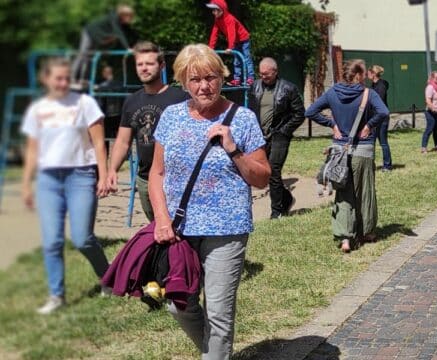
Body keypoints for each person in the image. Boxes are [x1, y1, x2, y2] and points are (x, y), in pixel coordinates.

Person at [149, 44, 271, 358]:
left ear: (222, 77)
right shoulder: (172, 116)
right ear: (183, 82)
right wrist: (162, 220)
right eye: (195, 79)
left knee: (218, 312)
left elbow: (262, 177)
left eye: (211, 77)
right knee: (179, 304)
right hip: (180, 230)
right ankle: (214, 353)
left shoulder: (242, 119)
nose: (204, 86)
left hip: (226, 230)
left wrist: (233, 149)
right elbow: (157, 173)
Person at [21, 58, 111, 314]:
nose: (62, 83)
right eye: (57, 78)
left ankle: (108, 278)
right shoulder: (37, 109)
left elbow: (99, 143)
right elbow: (32, 149)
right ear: (45, 79)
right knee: (51, 241)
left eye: (65, 78)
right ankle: (56, 295)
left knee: (82, 238)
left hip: (80, 176)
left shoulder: (85, 104)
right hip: (48, 180)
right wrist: (26, 184)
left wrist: (103, 175)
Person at [306, 59, 389, 253]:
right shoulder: (368, 94)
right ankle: (367, 232)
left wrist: (331, 125)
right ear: (359, 75)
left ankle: (345, 238)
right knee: (365, 192)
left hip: (339, 152)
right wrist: (369, 125)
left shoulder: (333, 92)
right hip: (363, 151)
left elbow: (310, 111)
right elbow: (384, 112)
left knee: (343, 194)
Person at [107, 41, 189, 221]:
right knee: (158, 231)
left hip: (176, 178)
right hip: (145, 180)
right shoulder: (131, 101)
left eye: (149, 63)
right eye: (140, 64)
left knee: (181, 232)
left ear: (161, 66)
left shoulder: (181, 98)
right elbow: (122, 141)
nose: (144, 68)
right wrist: (112, 169)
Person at [249, 57, 306, 219]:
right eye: (261, 74)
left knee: (274, 170)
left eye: (266, 74)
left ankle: (277, 210)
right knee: (265, 172)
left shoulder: (288, 88)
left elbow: (299, 114)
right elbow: (251, 110)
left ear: (275, 72)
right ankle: (286, 198)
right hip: (261, 136)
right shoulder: (255, 87)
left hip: (279, 136)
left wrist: (284, 130)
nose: (263, 77)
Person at [71, 4, 137, 87]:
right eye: (129, 16)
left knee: (89, 57)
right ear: (123, 15)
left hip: (99, 36)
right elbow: (119, 33)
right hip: (90, 32)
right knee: (82, 55)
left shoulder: (122, 22)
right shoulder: (114, 18)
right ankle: (71, 78)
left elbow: (130, 33)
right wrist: (127, 48)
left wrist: (136, 47)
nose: (130, 19)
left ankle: (83, 80)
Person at [206, 0, 255, 86]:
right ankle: (237, 79)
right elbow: (214, 33)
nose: (213, 12)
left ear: (221, 10)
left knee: (246, 58)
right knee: (236, 61)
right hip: (235, 41)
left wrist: (230, 47)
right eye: (212, 10)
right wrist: (210, 47)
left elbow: (232, 33)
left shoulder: (229, 19)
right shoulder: (217, 20)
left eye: (215, 10)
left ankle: (250, 78)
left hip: (243, 40)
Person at [367, 64, 393, 171]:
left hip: (381, 118)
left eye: (368, 72)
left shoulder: (381, 86)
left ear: (373, 74)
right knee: (371, 142)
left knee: (383, 142)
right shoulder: (373, 85)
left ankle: (387, 165)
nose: (367, 74)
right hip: (373, 118)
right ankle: (370, 164)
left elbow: (379, 102)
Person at [422, 71, 437, 153]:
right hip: (431, 112)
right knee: (429, 129)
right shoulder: (430, 87)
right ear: (432, 78)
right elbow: (427, 100)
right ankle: (424, 147)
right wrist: (432, 107)